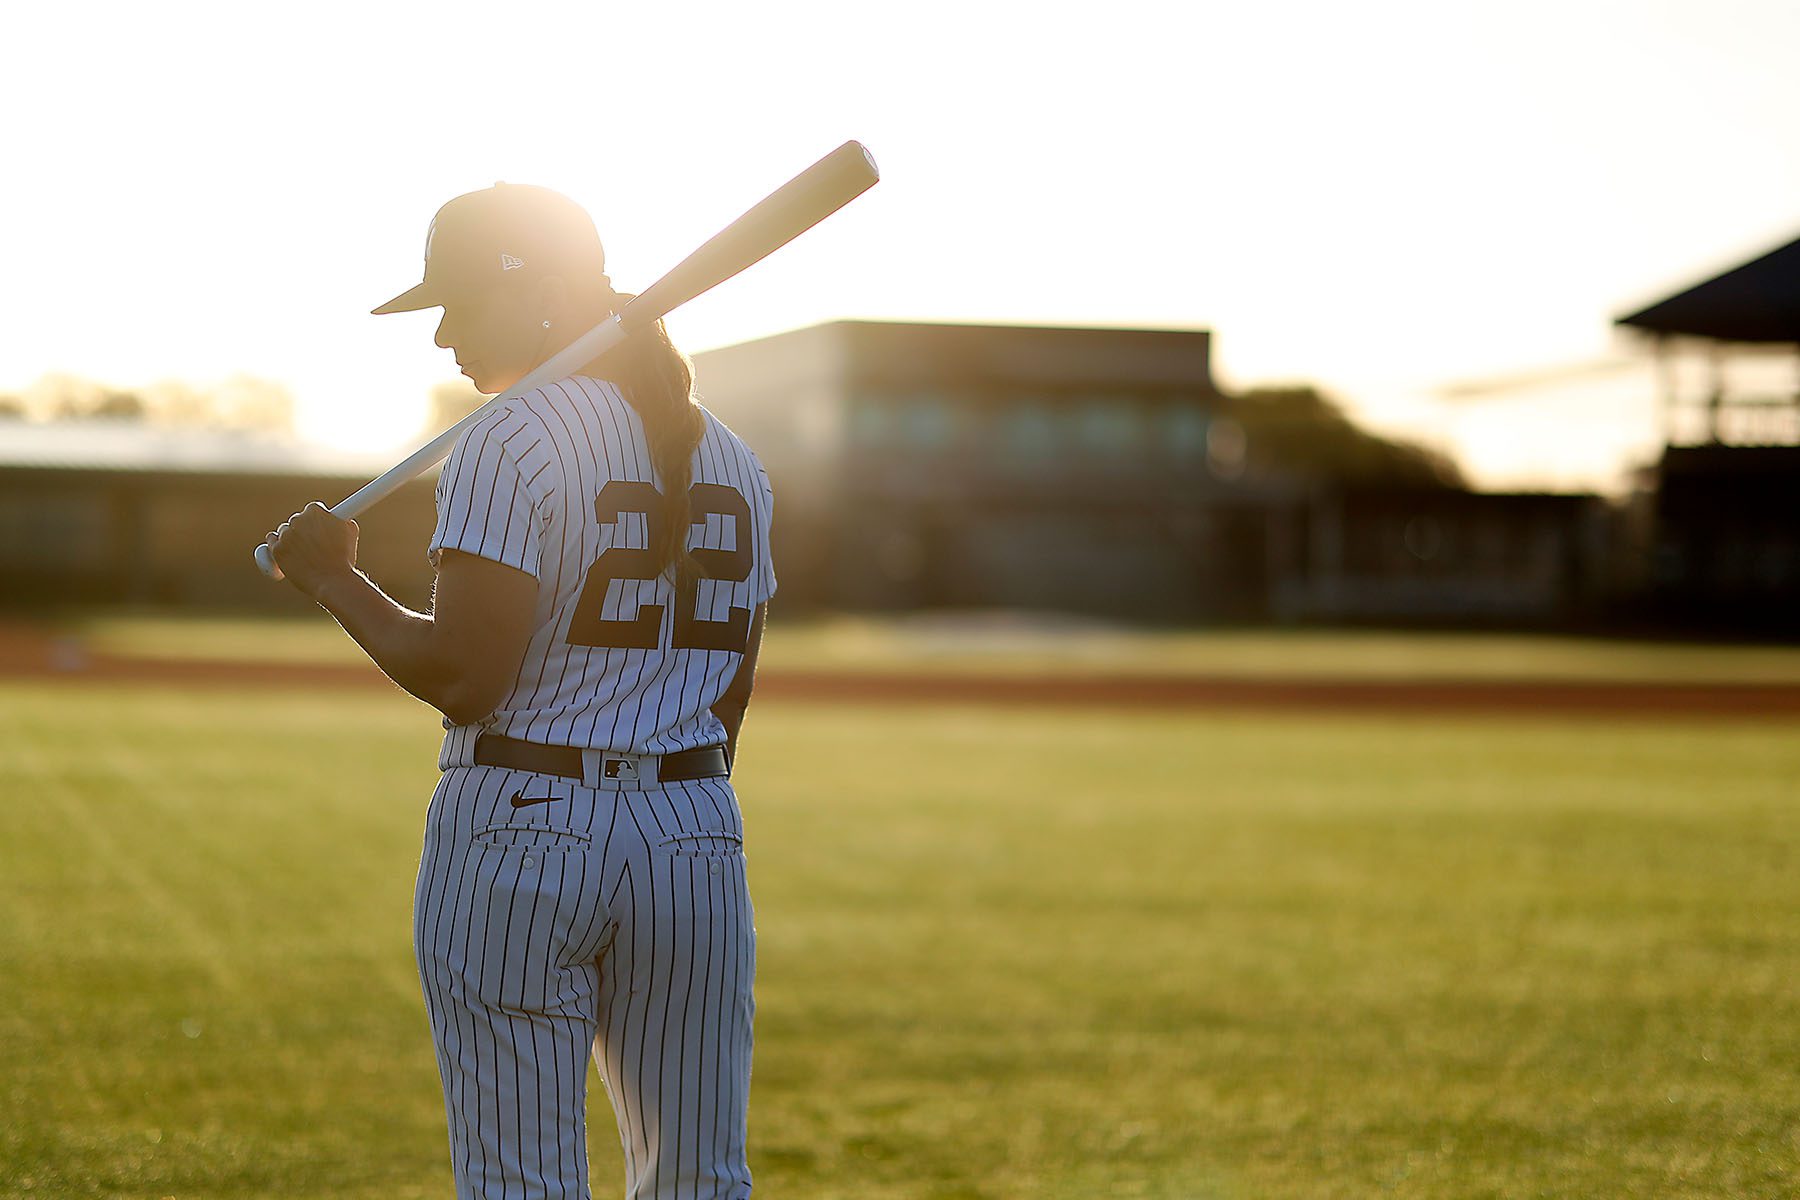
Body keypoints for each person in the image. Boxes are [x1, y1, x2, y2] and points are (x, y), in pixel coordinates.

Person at [265, 182, 772, 1200]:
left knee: (521, 1185)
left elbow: (465, 676)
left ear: (537, 293)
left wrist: (335, 583)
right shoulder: (733, 457)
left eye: (457, 302)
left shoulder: (508, 436)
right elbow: (727, 696)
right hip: (695, 830)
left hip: (524, 829)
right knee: (700, 1180)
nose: (443, 333)